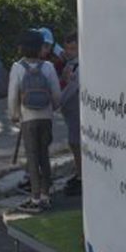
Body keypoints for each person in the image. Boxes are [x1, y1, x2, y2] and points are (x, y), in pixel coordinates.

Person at [8, 30, 60, 213]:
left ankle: (35, 198)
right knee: (44, 155)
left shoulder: (17, 67)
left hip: (28, 118)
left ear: (21, 48)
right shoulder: (48, 67)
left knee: (32, 157)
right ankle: (46, 194)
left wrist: (14, 114)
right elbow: (56, 93)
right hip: (46, 117)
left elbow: (13, 94)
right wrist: (52, 108)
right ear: (40, 48)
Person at [59, 32, 81, 196]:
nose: (69, 52)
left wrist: (57, 101)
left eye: (73, 48)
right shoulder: (69, 64)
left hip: (76, 109)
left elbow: (71, 89)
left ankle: (81, 175)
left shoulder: (79, 66)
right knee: (73, 143)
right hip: (69, 111)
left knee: (76, 142)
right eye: (67, 48)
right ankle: (78, 171)